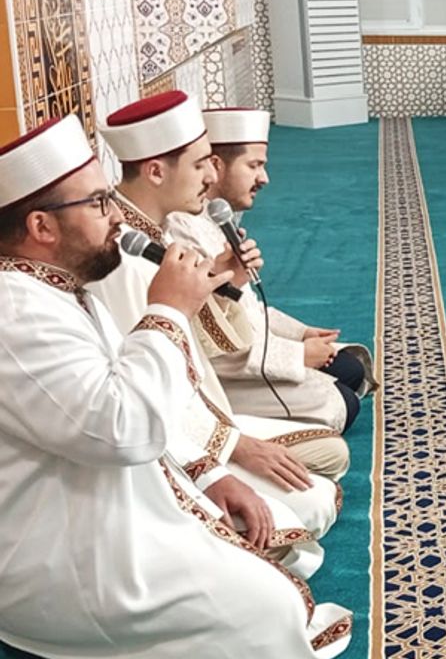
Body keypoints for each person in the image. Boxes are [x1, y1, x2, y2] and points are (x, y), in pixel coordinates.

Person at [0, 115, 352, 659]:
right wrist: (168, 309)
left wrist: (207, 474)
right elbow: (122, 429)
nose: (116, 214)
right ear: (42, 227)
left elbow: (133, 399)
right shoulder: (17, 315)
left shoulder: (59, 289)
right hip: (62, 553)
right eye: (98, 203)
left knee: (272, 578)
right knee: (271, 607)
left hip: (114, 499)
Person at [90, 92, 344, 578]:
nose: (212, 177)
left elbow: (206, 346)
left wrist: (228, 285)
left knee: (324, 474)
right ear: (156, 171)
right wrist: (234, 447)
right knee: (312, 505)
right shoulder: (123, 261)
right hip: (171, 443)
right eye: (201, 163)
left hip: (207, 416)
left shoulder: (158, 235)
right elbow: (148, 388)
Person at [167, 108, 374, 434]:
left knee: (351, 369)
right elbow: (212, 339)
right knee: (345, 401)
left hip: (254, 348)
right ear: (216, 166)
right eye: (254, 166)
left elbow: (247, 306)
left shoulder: (217, 218)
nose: (264, 178)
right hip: (229, 374)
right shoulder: (182, 230)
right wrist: (298, 355)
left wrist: (301, 333)